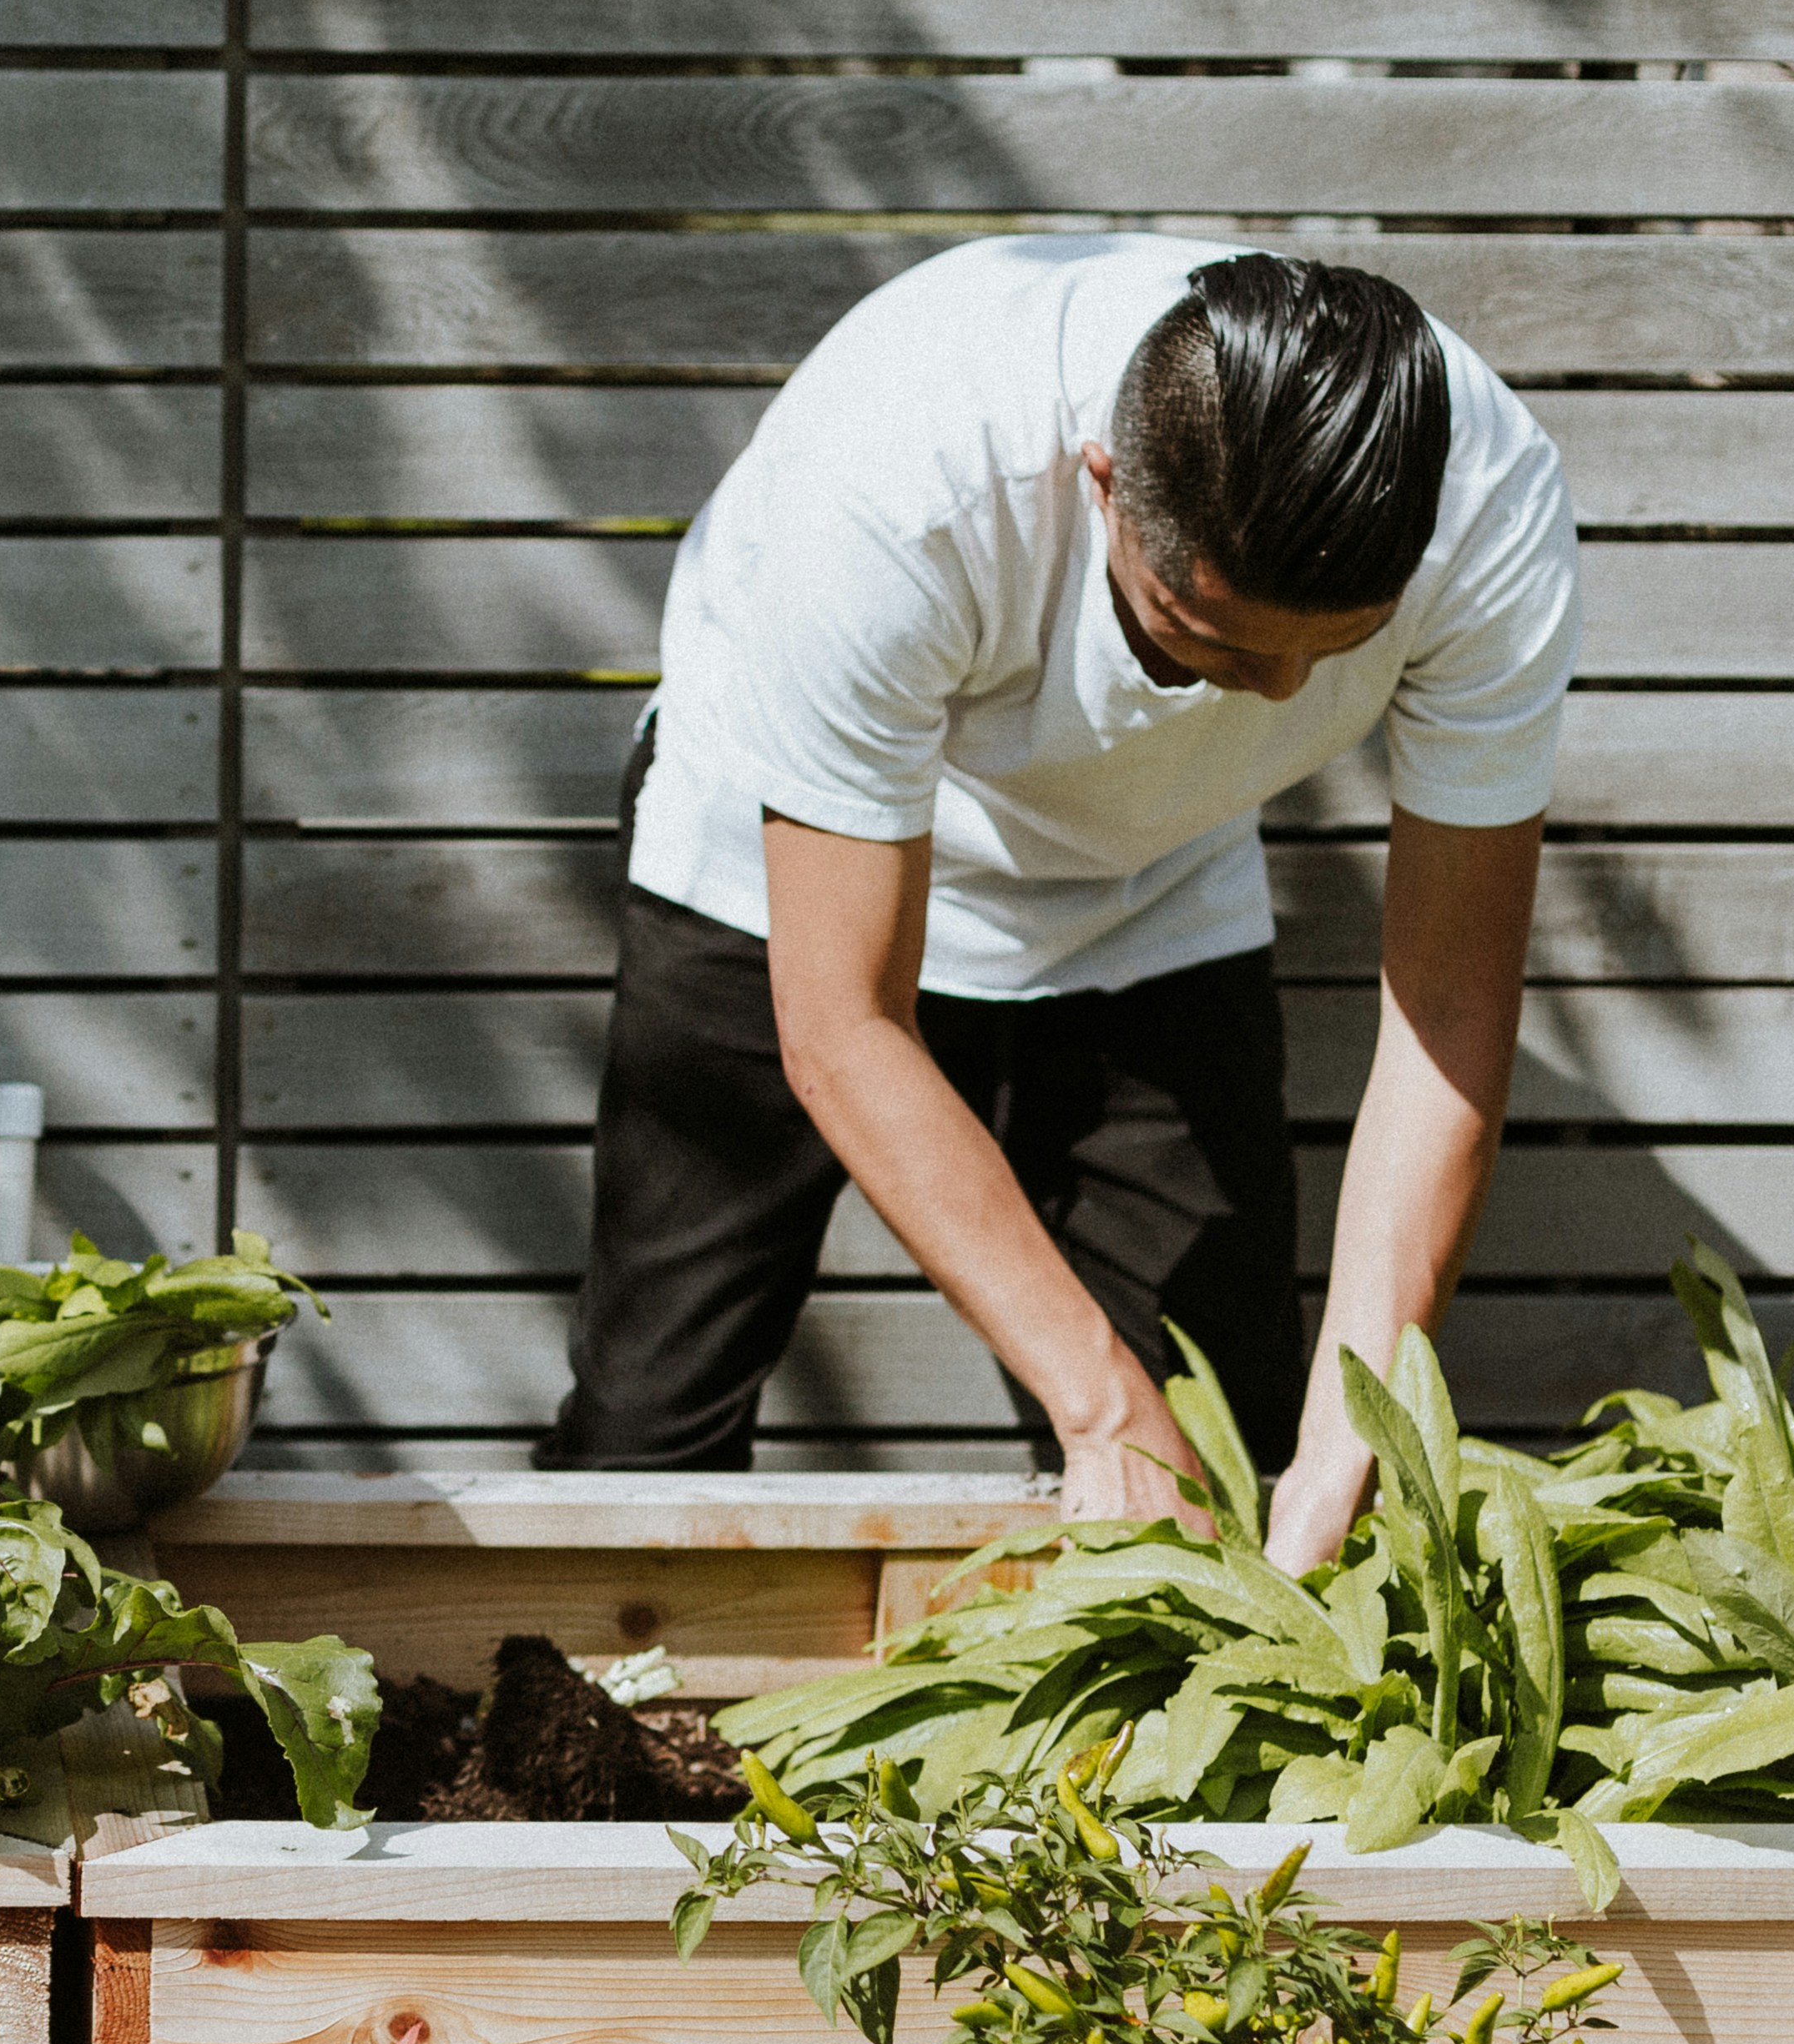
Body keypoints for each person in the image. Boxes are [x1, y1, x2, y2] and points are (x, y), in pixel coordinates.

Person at [535, 235, 1578, 1570]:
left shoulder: (1489, 510)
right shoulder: (897, 482)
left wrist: (1349, 1439)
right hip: (775, 872)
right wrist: (1096, 1404)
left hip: (1148, 885)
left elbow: (1446, 1008)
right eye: (1206, 639)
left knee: (1221, 1451)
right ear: (1104, 488)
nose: (1273, 699)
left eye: (1332, 656)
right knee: (648, 1431)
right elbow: (844, 1026)